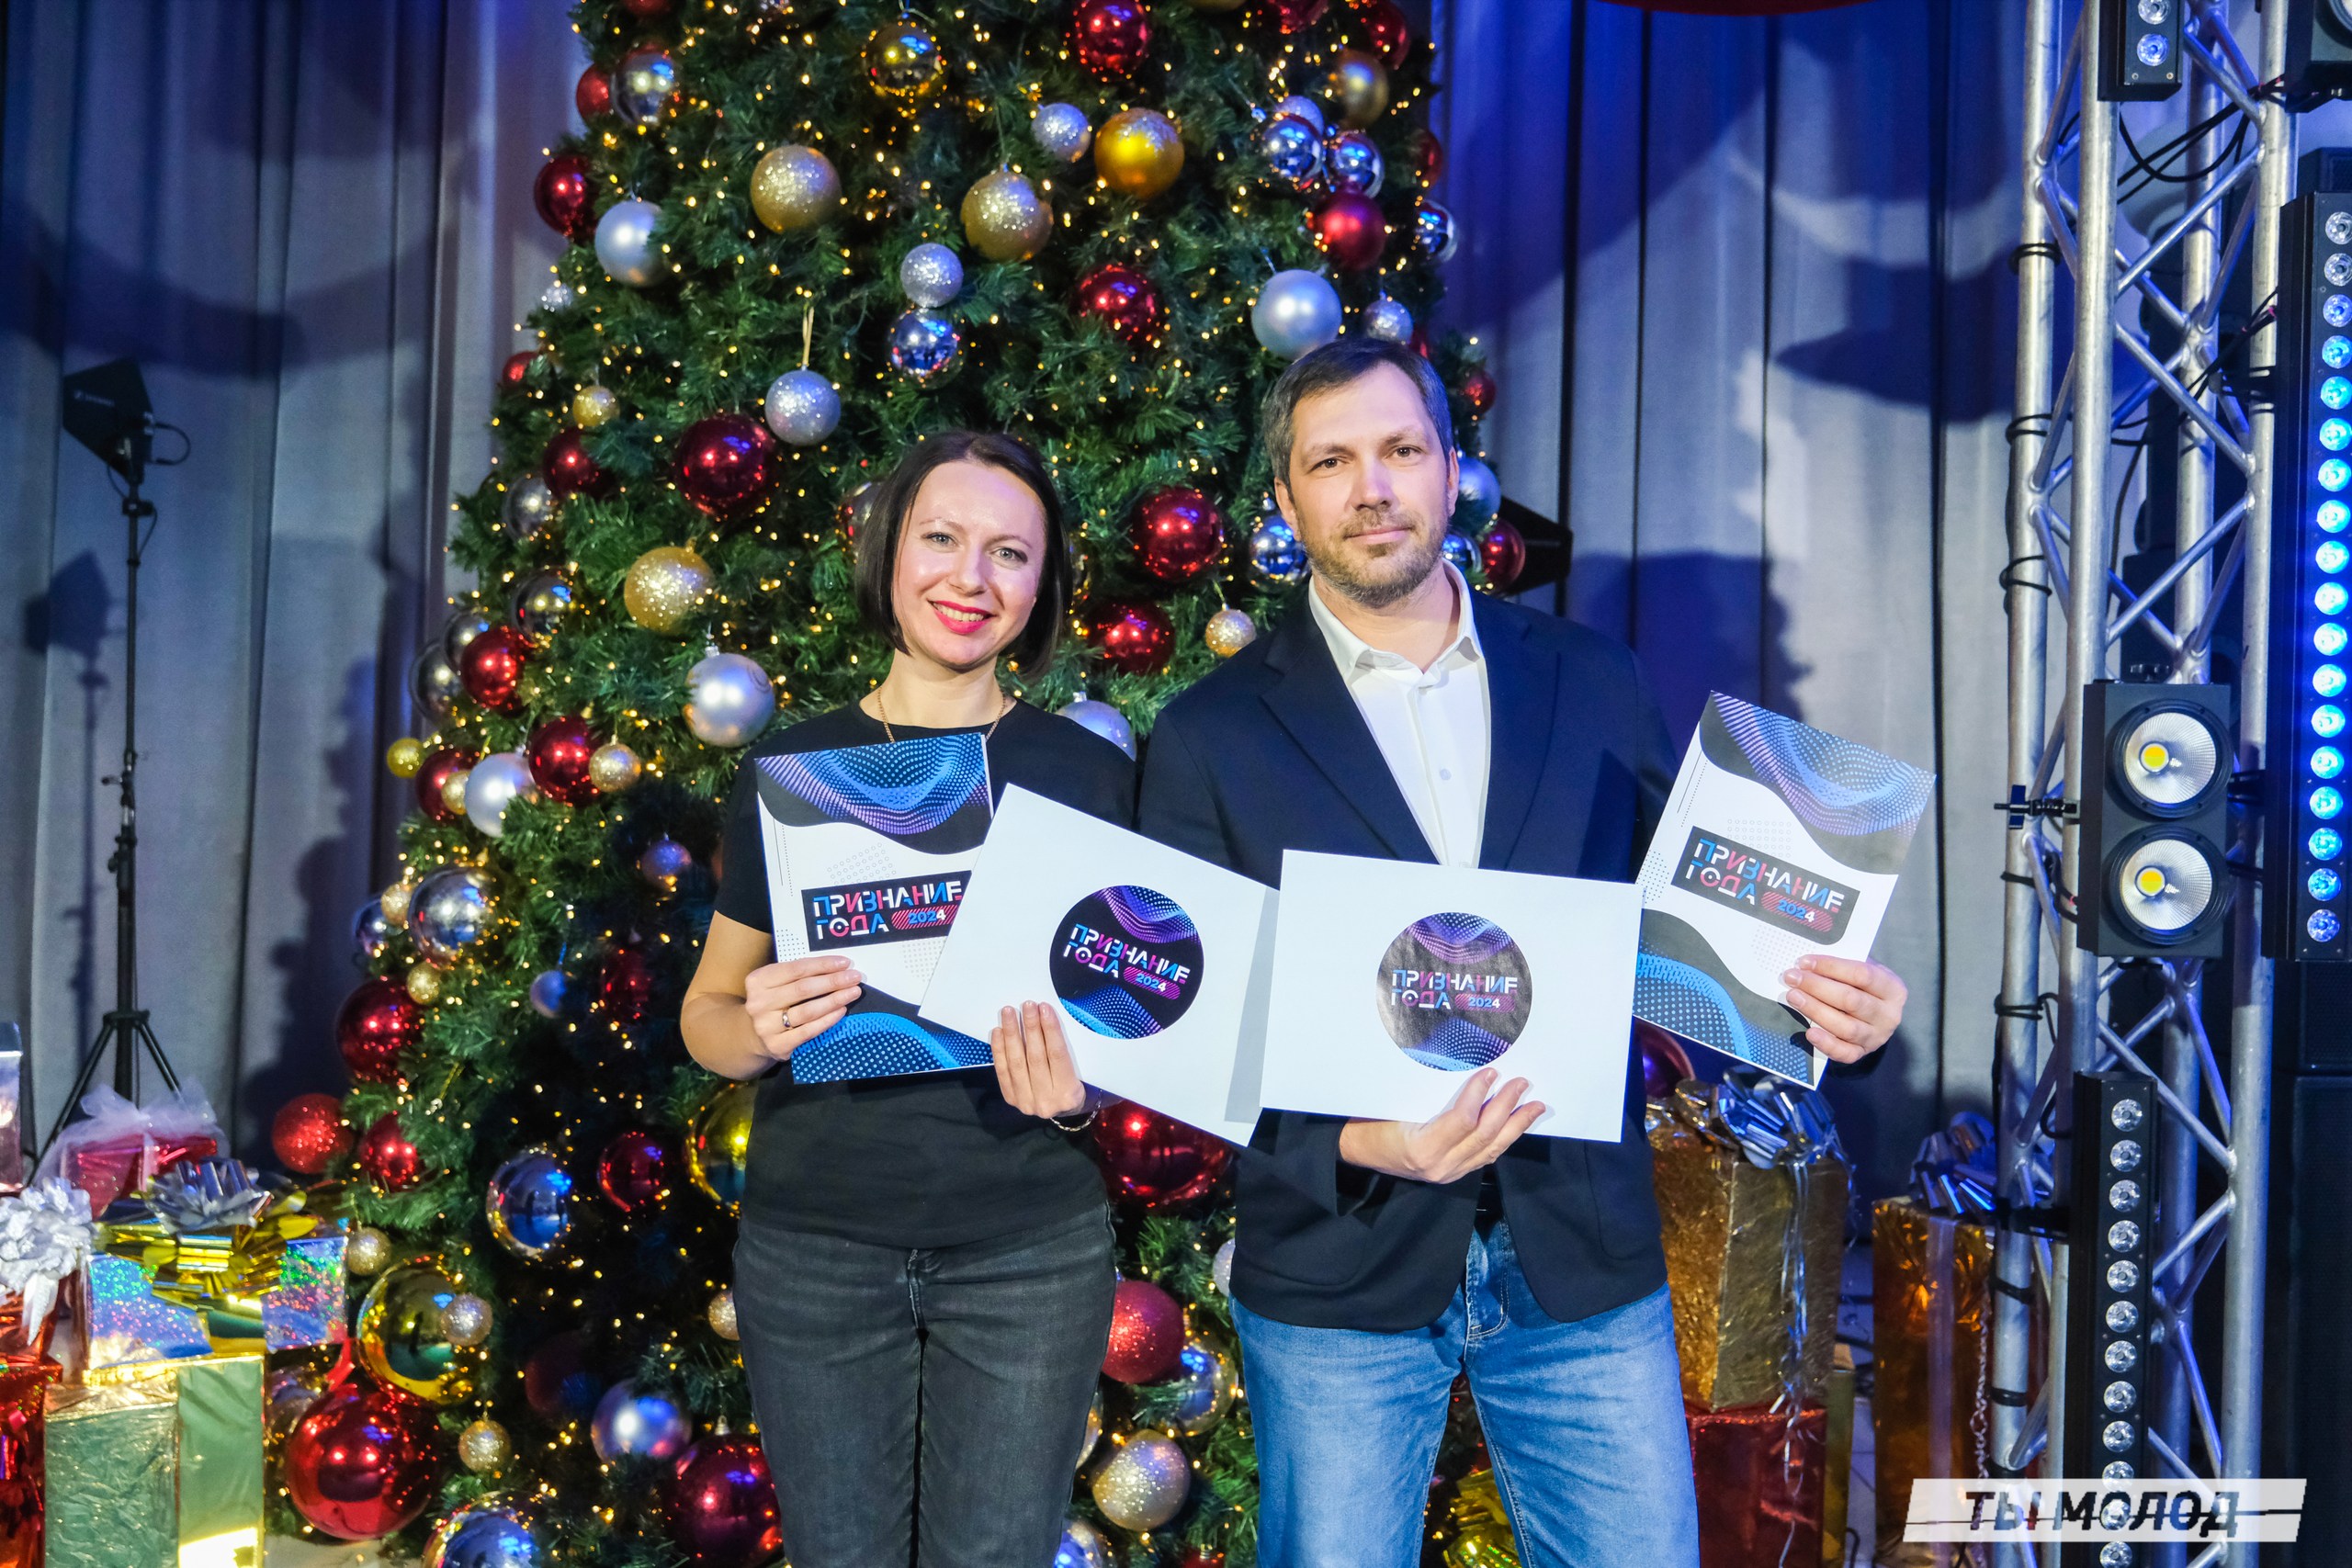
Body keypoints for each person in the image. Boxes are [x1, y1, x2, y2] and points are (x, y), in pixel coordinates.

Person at [1132, 339, 1908, 1568]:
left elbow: (1692, 925)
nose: (1371, 488)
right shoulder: (1208, 735)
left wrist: (1830, 1004)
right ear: (1284, 498)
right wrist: (1356, 1142)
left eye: (1401, 450)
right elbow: (1185, 1025)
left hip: (1577, 1248)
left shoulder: (1591, 679)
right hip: (1341, 1264)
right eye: (1331, 462)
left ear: (1452, 471)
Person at [683, 430, 1131, 1568]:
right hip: (816, 1251)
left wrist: (1082, 1092)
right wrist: (758, 1028)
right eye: (940, 538)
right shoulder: (794, 773)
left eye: (1009, 554)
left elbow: (1148, 1026)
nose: (969, 578)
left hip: (1029, 1252)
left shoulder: (1091, 778)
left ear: (1042, 585)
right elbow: (708, 1017)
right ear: (887, 552)